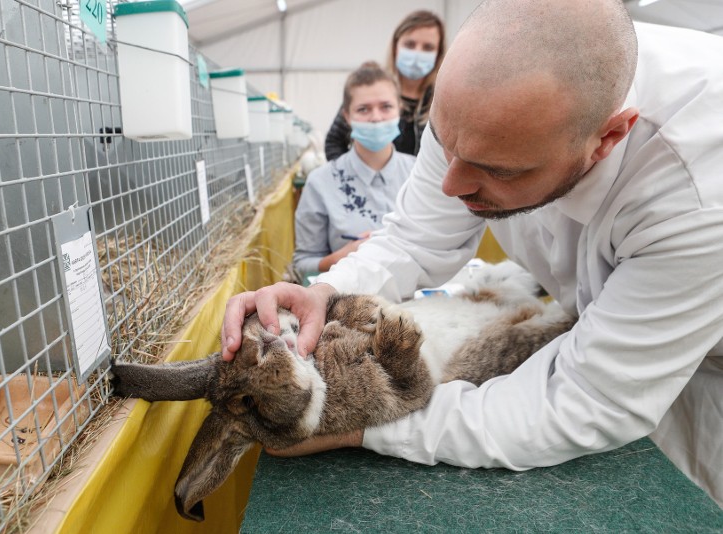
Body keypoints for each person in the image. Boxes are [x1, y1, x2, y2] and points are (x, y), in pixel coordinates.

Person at [221, 0, 723, 505]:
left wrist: (365, 428)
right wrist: (327, 291)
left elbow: (585, 401)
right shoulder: (487, 105)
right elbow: (416, 236)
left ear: (607, 138)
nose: (450, 185)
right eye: (444, 141)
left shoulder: (697, 193)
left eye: (499, 170)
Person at [292, 62, 416, 279]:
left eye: (386, 106)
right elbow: (303, 264)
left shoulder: (419, 174)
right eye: (363, 109)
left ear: (400, 109)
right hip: (351, 305)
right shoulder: (320, 182)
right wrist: (344, 256)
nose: (376, 117)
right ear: (347, 116)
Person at [324, 10, 445, 160]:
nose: (417, 54)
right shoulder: (372, 86)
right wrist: (348, 178)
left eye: (428, 47)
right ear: (396, 46)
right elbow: (334, 142)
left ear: (438, 54)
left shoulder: (442, 100)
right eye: (410, 44)